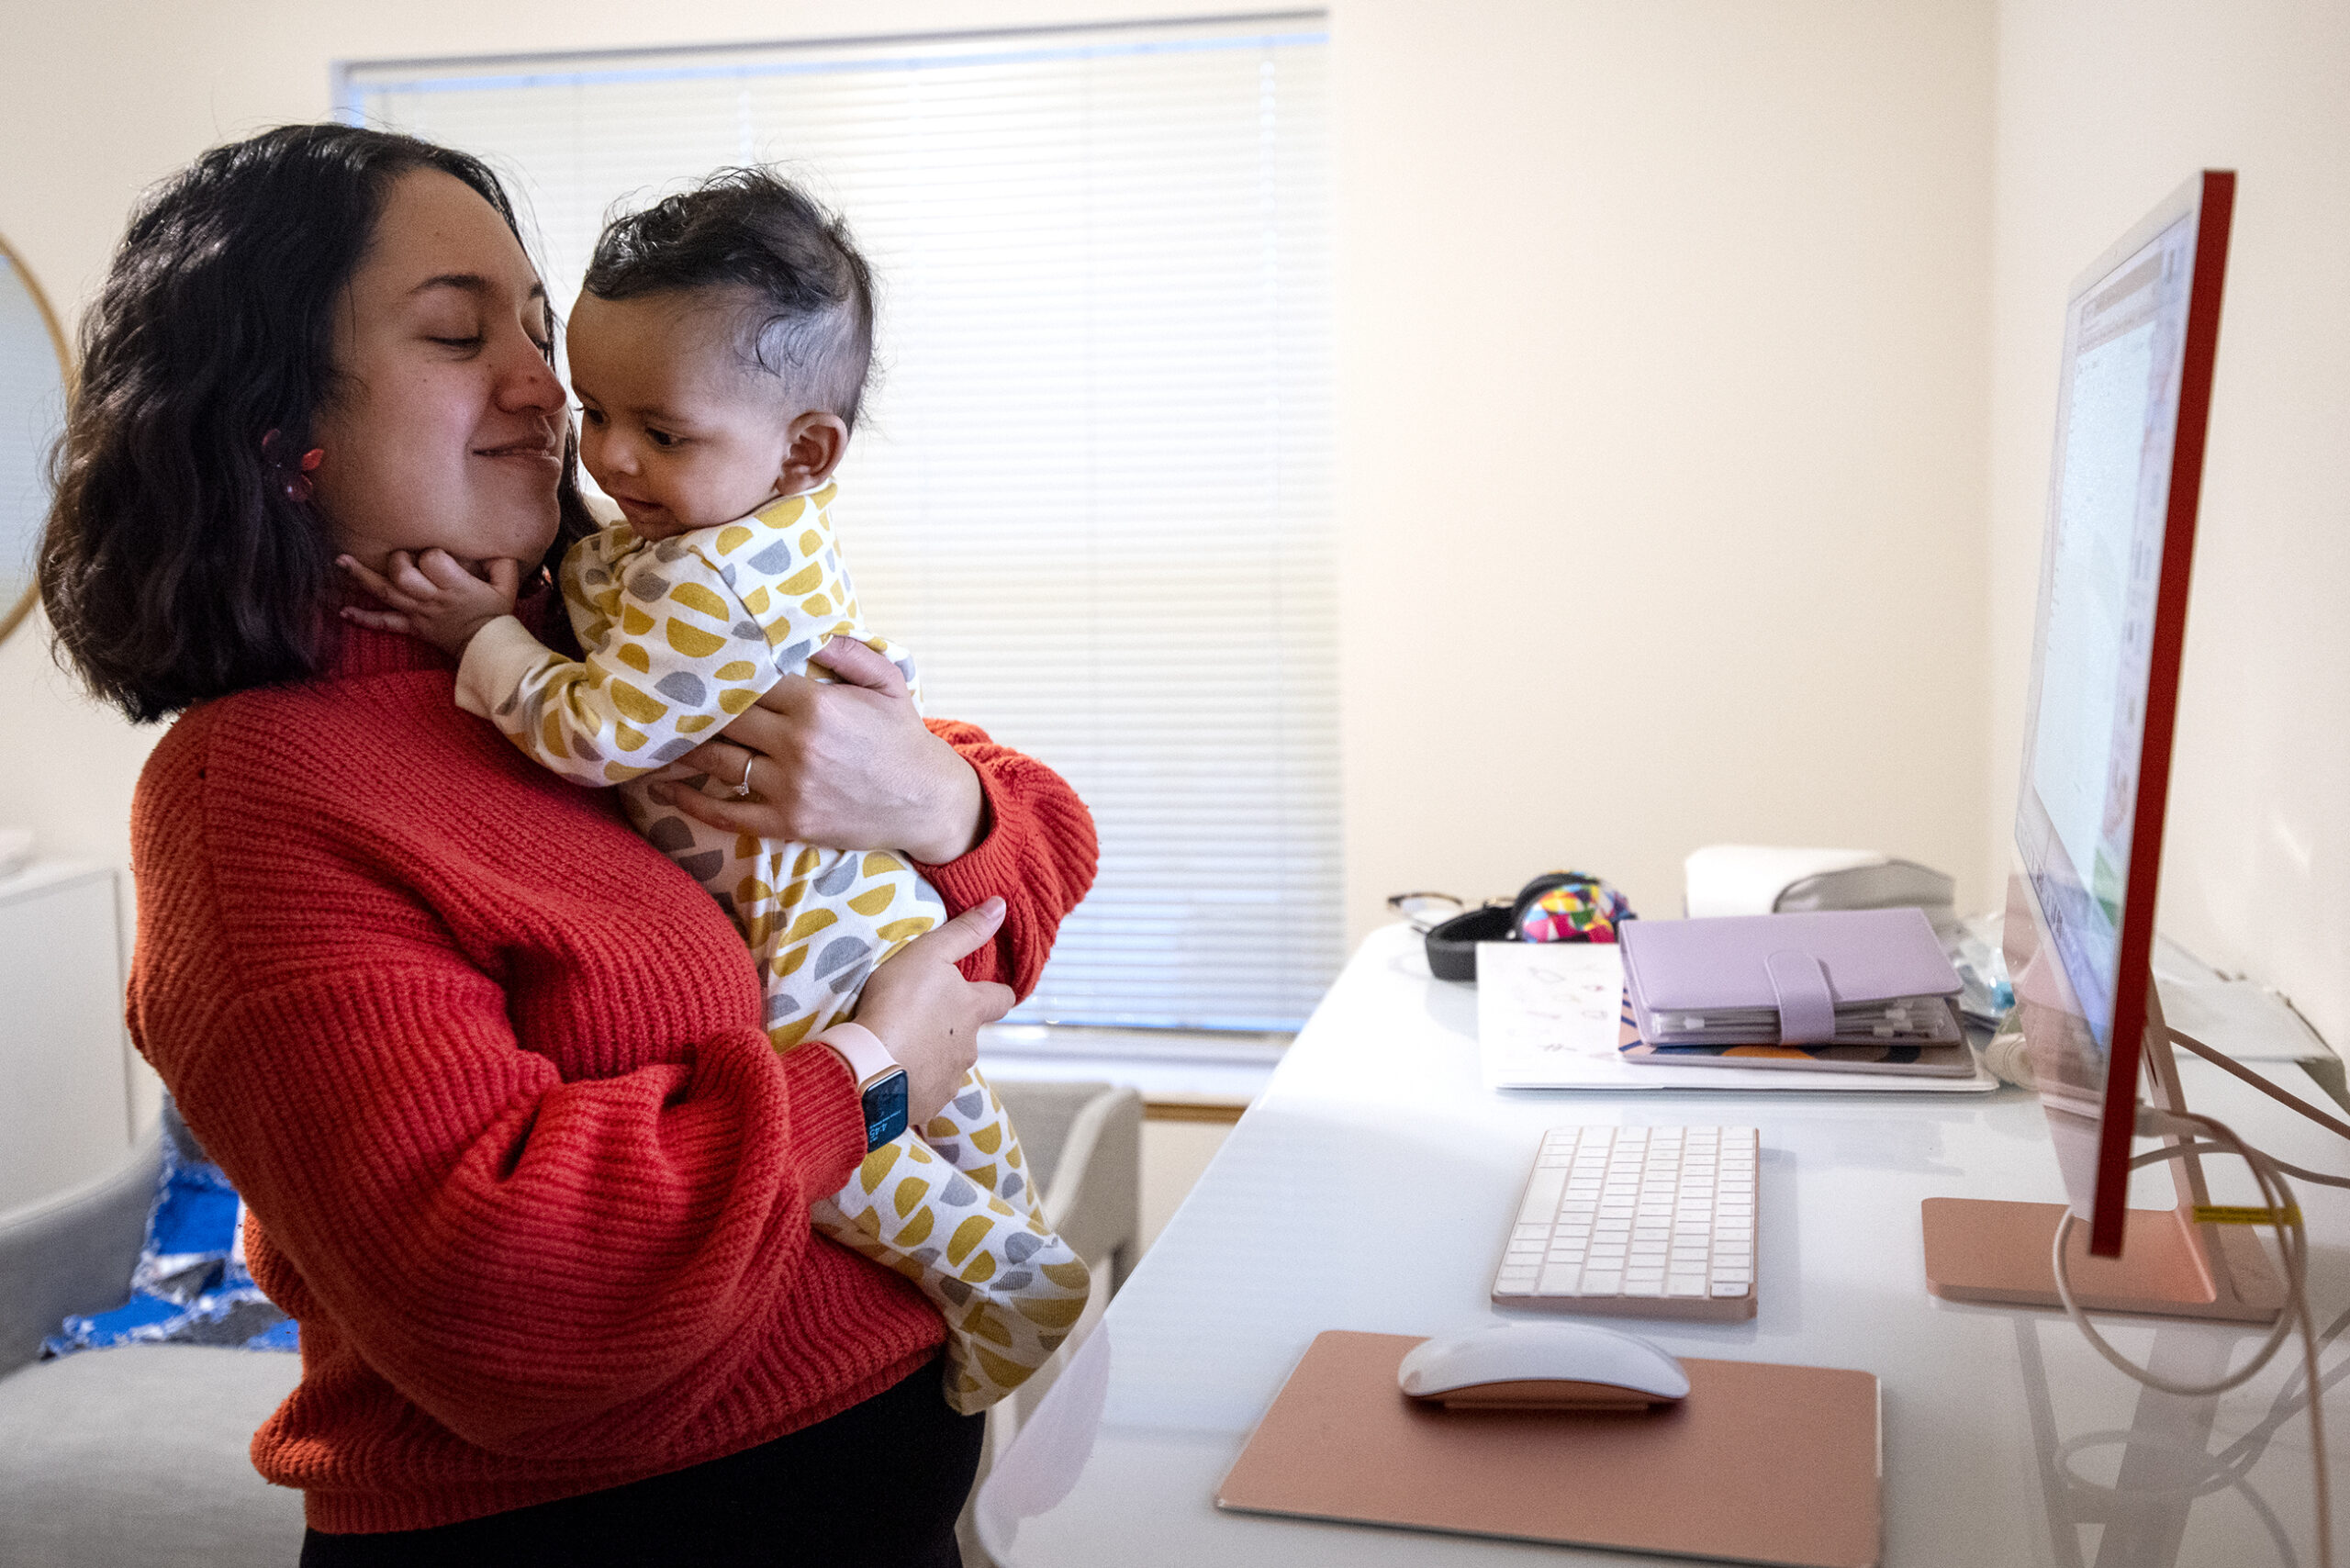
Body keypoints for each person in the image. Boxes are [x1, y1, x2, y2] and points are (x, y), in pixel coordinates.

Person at [37, 122, 1097, 1566]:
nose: (550, 388)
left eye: (541, 328)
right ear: (283, 430)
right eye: (460, 335)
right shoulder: (261, 794)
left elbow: (1044, 858)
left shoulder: (611, 641)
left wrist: (927, 805)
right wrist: (869, 1077)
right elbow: (500, 1293)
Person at [336, 166, 1086, 1417]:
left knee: (873, 1163)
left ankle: (1008, 1279)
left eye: (662, 432)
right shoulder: (679, 541)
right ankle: (1009, 1242)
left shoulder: (701, 579)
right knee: (934, 1125)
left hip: (811, 946)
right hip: (848, 949)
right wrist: (872, 1068)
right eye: (597, 407)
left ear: (802, 451)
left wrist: (933, 798)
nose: (604, 451)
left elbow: (593, 731)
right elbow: (485, 1271)